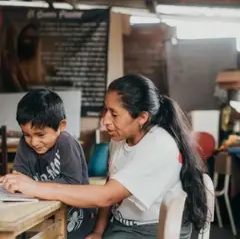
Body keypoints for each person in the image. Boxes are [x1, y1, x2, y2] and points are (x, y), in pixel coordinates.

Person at [1, 75, 208, 239]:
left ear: (142, 118)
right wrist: (99, 231)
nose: (105, 121)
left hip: (152, 231)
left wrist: (34, 187)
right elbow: (112, 182)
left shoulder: (158, 144)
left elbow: (107, 195)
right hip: (121, 226)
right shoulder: (120, 138)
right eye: (105, 110)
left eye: (114, 114)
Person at [3, 89, 95, 239]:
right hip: (44, 218)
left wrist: (32, 186)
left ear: (62, 125)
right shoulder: (25, 144)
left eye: (40, 135)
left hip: (76, 223)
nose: (33, 142)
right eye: (27, 134)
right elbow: (19, 178)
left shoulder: (66, 142)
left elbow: (73, 184)